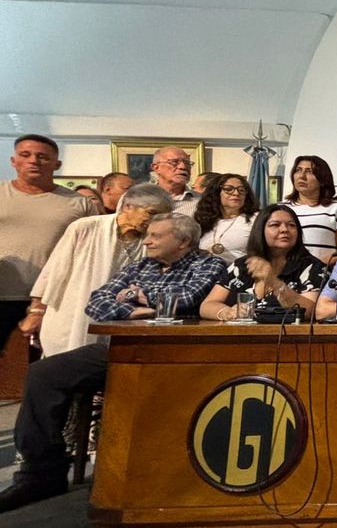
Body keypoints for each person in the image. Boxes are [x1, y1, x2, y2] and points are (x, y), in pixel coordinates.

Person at [0, 213, 225, 513]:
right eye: (148, 235)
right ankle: (41, 473)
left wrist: (132, 295)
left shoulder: (208, 265)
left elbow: (185, 298)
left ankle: (151, 475)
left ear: (183, 241)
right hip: (119, 350)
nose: (147, 241)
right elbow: (97, 301)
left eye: (156, 236)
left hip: (173, 355)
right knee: (44, 373)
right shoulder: (140, 266)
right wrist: (133, 310)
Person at [20, 184, 174, 356]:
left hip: (119, 321)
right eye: (151, 213)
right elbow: (54, 271)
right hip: (73, 313)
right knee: (67, 363)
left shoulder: (153, 242)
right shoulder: (86, 227)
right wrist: (36, 312)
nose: (154, 222)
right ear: (128, 206)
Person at [0, 134, 97, 353]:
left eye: (42, 157)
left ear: (57, 164)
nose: (33, 161)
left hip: (53, 297)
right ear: (13, 161)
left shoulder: (79, 203)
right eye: (25, 155)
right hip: (3, 291)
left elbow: (89, 253)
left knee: (46, 362)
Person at [199, 204, 328, 322]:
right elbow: (206, 306)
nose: (285, 229)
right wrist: (226, 312)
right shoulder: (241, 265)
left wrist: (274, 282)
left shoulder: (313, 267)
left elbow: (310, 312)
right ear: (260, 230)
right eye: (275, 225)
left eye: (291, 225)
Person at [282, 155, 337, 263]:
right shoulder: (281, 209)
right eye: (298, 170)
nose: (302, 176)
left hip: (323, 270)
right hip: (286, 270)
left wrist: (316, 265)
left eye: (309, 171)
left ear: (322, 179)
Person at [195, 173, 259, 264]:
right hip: (206, 270)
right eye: (229, 189)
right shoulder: (204, 219)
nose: (236, 193)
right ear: (216, 193)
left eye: (241, 190)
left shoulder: (256, 219)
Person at [149, 145, 202, 215]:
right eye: (174, 162)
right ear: (156, 168)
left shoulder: (202, 202)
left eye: (187, 163)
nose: (183, 167)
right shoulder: (142, 198)